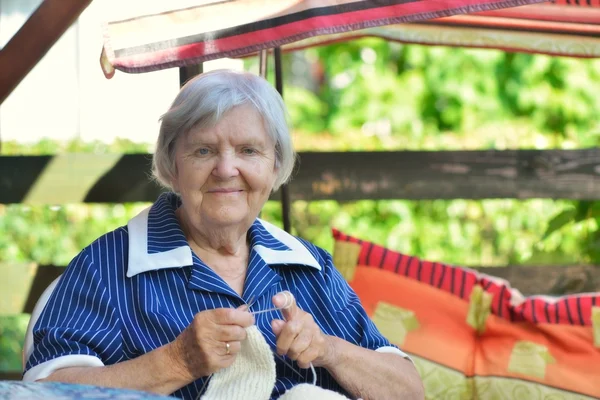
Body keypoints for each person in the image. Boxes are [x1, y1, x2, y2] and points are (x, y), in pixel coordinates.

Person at [23, 69, 424, 400]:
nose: (226, 169)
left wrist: (329, 349)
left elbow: (409, 392)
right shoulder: (107, 266)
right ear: (171, 165)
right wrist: (178, 362)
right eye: (203, 151)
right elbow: (43, 394)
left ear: (275, 166)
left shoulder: (310, 267)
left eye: (249, 150)